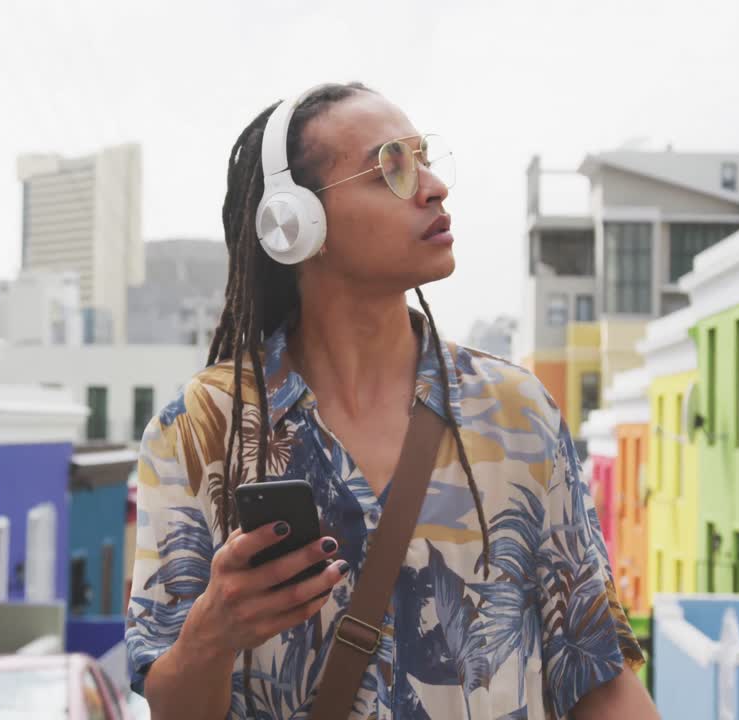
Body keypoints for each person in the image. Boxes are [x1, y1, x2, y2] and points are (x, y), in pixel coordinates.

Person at [125, 82, 656, 720]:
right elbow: (172, 707)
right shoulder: (201, 428)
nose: (434, 187)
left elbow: (597, 676)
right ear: (297, 223)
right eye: (393, 168)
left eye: (425, 158)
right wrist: (213, 634)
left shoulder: (519, 412)